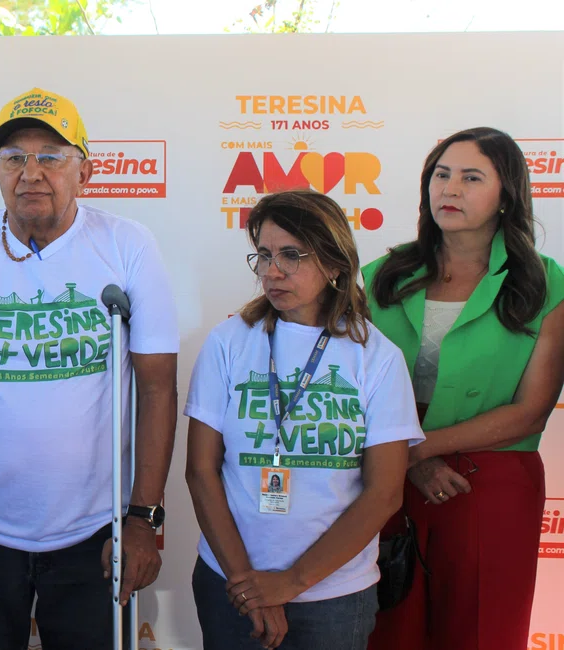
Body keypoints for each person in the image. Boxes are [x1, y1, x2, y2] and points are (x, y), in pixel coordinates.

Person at [0, 88, 180, 649]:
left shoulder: (128, 247)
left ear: (86, 170)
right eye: (14, 158)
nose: (31, 172)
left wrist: (143, 519)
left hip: (94, 529)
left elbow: (156, 387)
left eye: (51, 156)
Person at [184, 190, 423, 650]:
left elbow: (384, 493)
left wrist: (291, 582)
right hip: (229, 584)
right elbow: (201, 471)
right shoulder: (228, 342)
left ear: (334, 263)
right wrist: (249, 587)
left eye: (292, 255)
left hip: (333, 595)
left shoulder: (376, 359)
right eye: (265, 255)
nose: (272, 271)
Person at [364, 127, 564, 650]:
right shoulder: (381, 276)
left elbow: (532, 411)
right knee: (389, 632)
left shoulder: (544, 281)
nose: (449, 190)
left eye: (471, 178)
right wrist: (411, 457)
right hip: (385, 474)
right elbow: (349, 390)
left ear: (507, 195)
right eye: (441, 175)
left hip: (491, 481)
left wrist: (422, 448)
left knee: (483, 633)